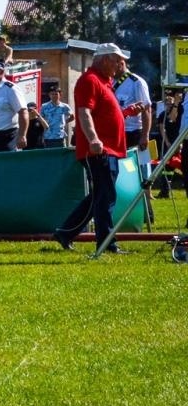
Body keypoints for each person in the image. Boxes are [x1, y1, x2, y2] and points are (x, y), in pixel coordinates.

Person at [54, 43, 132, 255]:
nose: (119, 65)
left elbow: (105, 115)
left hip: (109, 149)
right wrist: (94, 139)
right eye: (117, 61)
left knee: (100, 195)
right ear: (105, 59)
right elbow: (84, 113)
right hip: (99, 150)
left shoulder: (105, 83)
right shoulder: (89, 81)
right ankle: (106, 242)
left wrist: (125, 114)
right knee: (106, 196)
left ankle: (65, 232)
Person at [114, 63, 152, 155]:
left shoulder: (136, 82)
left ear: (121, 64)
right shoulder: (110, 81)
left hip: (133, 132)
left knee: (135, 166)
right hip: (116, 132)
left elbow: (146, 109)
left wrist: (145, 136)